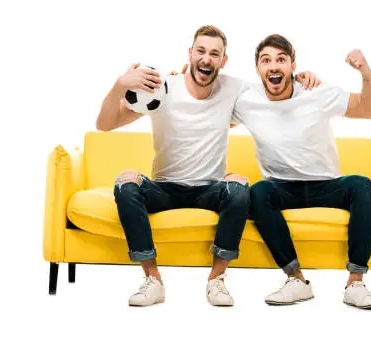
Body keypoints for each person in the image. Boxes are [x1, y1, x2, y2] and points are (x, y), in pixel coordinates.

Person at [95, 26, 319, 307]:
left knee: (239, 185)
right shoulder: (162, 89)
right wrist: (119, 84)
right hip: (164, 188)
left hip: (209, 190)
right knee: (125, 182)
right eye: (201, 51)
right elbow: (104, 124)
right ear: (190, 54)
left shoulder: (233, 88)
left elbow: (274, 88)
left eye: (215, 54)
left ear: (223, 61)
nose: (207, 58)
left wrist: (301, 78)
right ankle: (152, 280)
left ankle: (217, 281)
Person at [231, 34, 371, 309]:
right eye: (266, 60)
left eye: (281, 59)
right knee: (256, 192)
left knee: (363, 186)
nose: (274, 66)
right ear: (258, 70)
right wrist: (180, 84)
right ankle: (296, 281)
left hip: (326, 185)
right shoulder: (247, 101)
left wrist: (366, 73)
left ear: (293, 65)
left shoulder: (315, 91)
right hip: (280, 188)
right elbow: (209, 115)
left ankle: (356, 283)